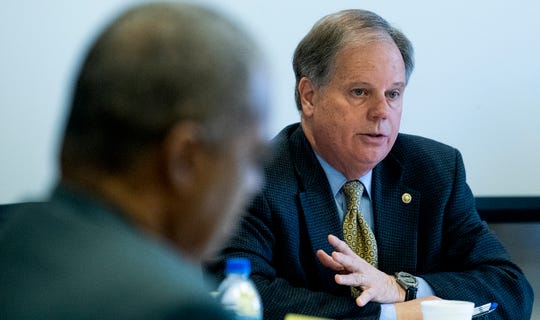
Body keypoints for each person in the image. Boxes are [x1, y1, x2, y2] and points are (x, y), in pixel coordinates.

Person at [206, 9, 534, 320]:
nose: (382, 112)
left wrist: (401, 287)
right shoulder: (255, 176)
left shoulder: (435, 170)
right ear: (309, 96)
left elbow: (510, 289)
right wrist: (387, 316)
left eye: (393, 94)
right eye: (361, 92)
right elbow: (240, 296)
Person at [0, 2, 269, 319]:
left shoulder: (12, 240)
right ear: (185, 159)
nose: (255, 183)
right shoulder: (178, 308)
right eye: (252, 157)